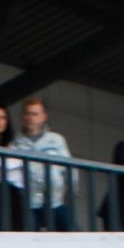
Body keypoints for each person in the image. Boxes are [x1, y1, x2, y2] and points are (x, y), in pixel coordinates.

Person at [15, 95, 74, 230]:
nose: (30, 117)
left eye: (35, 114)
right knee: (32, 242)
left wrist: (70, 192)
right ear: (23, 117)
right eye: (27, 113)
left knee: (73, 237)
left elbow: (69, 169)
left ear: (44, 116)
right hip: (29, 202)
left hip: (56, 200)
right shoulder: (15, 145)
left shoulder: (57, 140)